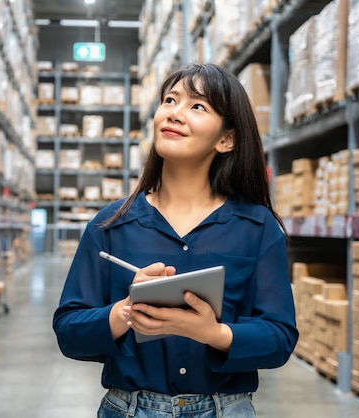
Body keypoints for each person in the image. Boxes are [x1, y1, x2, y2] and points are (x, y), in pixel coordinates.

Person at [52, 62, 298, 417]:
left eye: (197, 106)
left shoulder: (256, 228)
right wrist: (125, 311)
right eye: (170, 100)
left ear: (226, 139)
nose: (175, 113)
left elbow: (280, 338)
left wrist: (213, 333)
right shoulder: (110, 225)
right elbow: (68, 331)